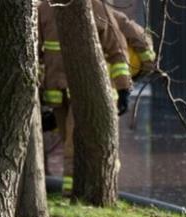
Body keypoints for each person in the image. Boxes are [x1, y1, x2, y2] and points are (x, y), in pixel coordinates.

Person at [36, 0, 133, 195]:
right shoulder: (44, 8)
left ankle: (72, 193)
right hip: (56, 92)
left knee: (72, 143)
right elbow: (35, 52)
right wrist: (38, 94)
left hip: (83, 92)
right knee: (67, 141)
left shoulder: (97, 7)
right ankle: (79, 188)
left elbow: (117, 51)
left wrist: (123, 88)